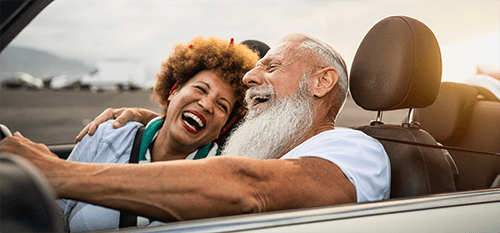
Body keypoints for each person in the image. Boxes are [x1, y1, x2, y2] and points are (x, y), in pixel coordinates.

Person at [0, 32, 390, 224]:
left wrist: (55, 172)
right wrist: (154, 119)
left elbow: (249, 187)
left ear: (322, 82)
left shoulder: (354, 149)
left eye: (271, 67)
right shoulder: (262, 152)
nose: (251, 78)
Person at [57, 36, 260, 231]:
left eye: (222, 105)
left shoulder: (224, 183)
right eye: (200, 89)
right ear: (173, 91)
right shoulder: (107, 136)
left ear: (223, 128)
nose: (206, 104)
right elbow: (54, 212)